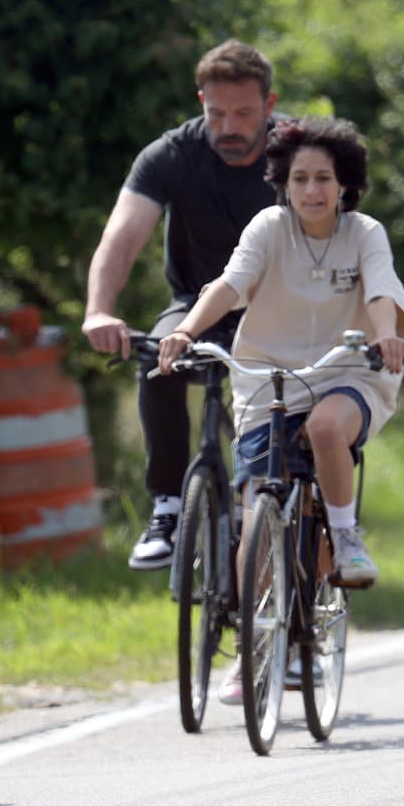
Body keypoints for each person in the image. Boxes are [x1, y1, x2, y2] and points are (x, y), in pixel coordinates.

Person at [156, 116, 404, 703]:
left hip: (350, 372)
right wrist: (188, 331)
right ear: (284, 183)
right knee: (257, 511)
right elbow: (230, 283)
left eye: (324, 178)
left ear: (344, 184)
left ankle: (346, 539)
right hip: (268, 378)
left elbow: (380, 292)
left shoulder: (364, 232)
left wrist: (386, 336)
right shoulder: (269, 227)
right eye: (300, 178)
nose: (313, 190)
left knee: (326, 431)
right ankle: (255, 649)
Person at [83, 39, 280, 570]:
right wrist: (99, 310)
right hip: (197, 305)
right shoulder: (171, 154)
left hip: (280, 310)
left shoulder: (297, 155)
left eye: (244, 112)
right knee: (157, 362)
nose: (229, 127)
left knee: (289, 405)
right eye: (216, 113)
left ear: (270, 103)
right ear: (201, 102)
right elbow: (122, 237)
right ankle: (168, 507)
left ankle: (290, 517)